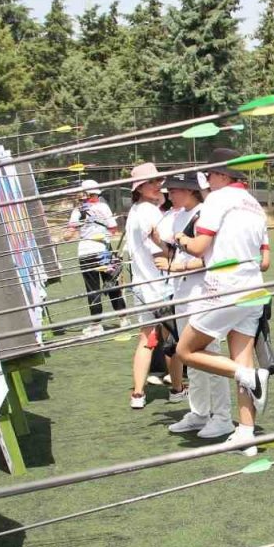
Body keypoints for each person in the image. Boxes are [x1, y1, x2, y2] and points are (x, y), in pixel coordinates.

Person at [174, 147, 272, 457]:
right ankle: (245, 433)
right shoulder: (256, 205)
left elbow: (200, 245)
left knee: (185, 351)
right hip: (254, 288)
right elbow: (265, 260)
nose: (206, 180)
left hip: (223, 290)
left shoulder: (217, 199)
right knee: (242, 359)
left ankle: (250, 377)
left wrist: (181, 239)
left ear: (220, 175)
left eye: (209, 174)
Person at [156, 174, 234, 439]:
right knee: (188, 354)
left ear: (191, 192)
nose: (171, 195)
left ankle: (222, 416)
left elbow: (213, 259)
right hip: (182, 292)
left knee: (209, 354)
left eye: (176, 190)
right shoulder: (178, 216)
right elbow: (173, 249)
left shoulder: (205, 215)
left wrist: (177, 266)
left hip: (202, 292)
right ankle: (199, 413)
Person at [123, 162, 167, 409]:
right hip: (158, 286)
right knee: (169, 338)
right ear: (138, 188)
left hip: (142, 285)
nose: (156, 186)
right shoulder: (149, 212)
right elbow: (162, 245)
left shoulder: (137, 211)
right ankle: (177, 388)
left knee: (148, 339)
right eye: (150, 182)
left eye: (157, 181)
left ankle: (138, 393)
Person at [63, 181, 126, 334]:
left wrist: (68, 234)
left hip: (85, 252)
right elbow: (113, 228)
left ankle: (96, 325)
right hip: (103, 251)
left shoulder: (78, 210)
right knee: (112, 284)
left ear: (85, 194)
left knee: (93, 289)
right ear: (96, 194)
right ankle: (123, 319)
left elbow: (68, 235)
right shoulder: (103, 207)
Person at [152, 182, 191, 404]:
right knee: (173, 340)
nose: (168, 196)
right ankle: (177, 387)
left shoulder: (177, 216)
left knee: (174, 339)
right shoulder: (168, 218)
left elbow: (172, 252)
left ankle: (177, 384)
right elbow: (170, 252)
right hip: (169, 286)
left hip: (175, 285)